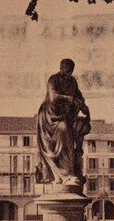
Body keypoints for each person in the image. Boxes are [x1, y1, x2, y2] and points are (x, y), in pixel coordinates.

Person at [36, 58, 91, 187]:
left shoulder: (72, 81)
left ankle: (66, 174)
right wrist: (70, 99)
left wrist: (83, 105)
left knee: (70, 136)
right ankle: (66, 175)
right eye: (67, 70)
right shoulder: (53, 80)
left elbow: (79, 96)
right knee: (64, 131)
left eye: (71, 71)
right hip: (50, 117)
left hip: (64, 116)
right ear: (61, 69)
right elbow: (53, 97)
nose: (69, 73)